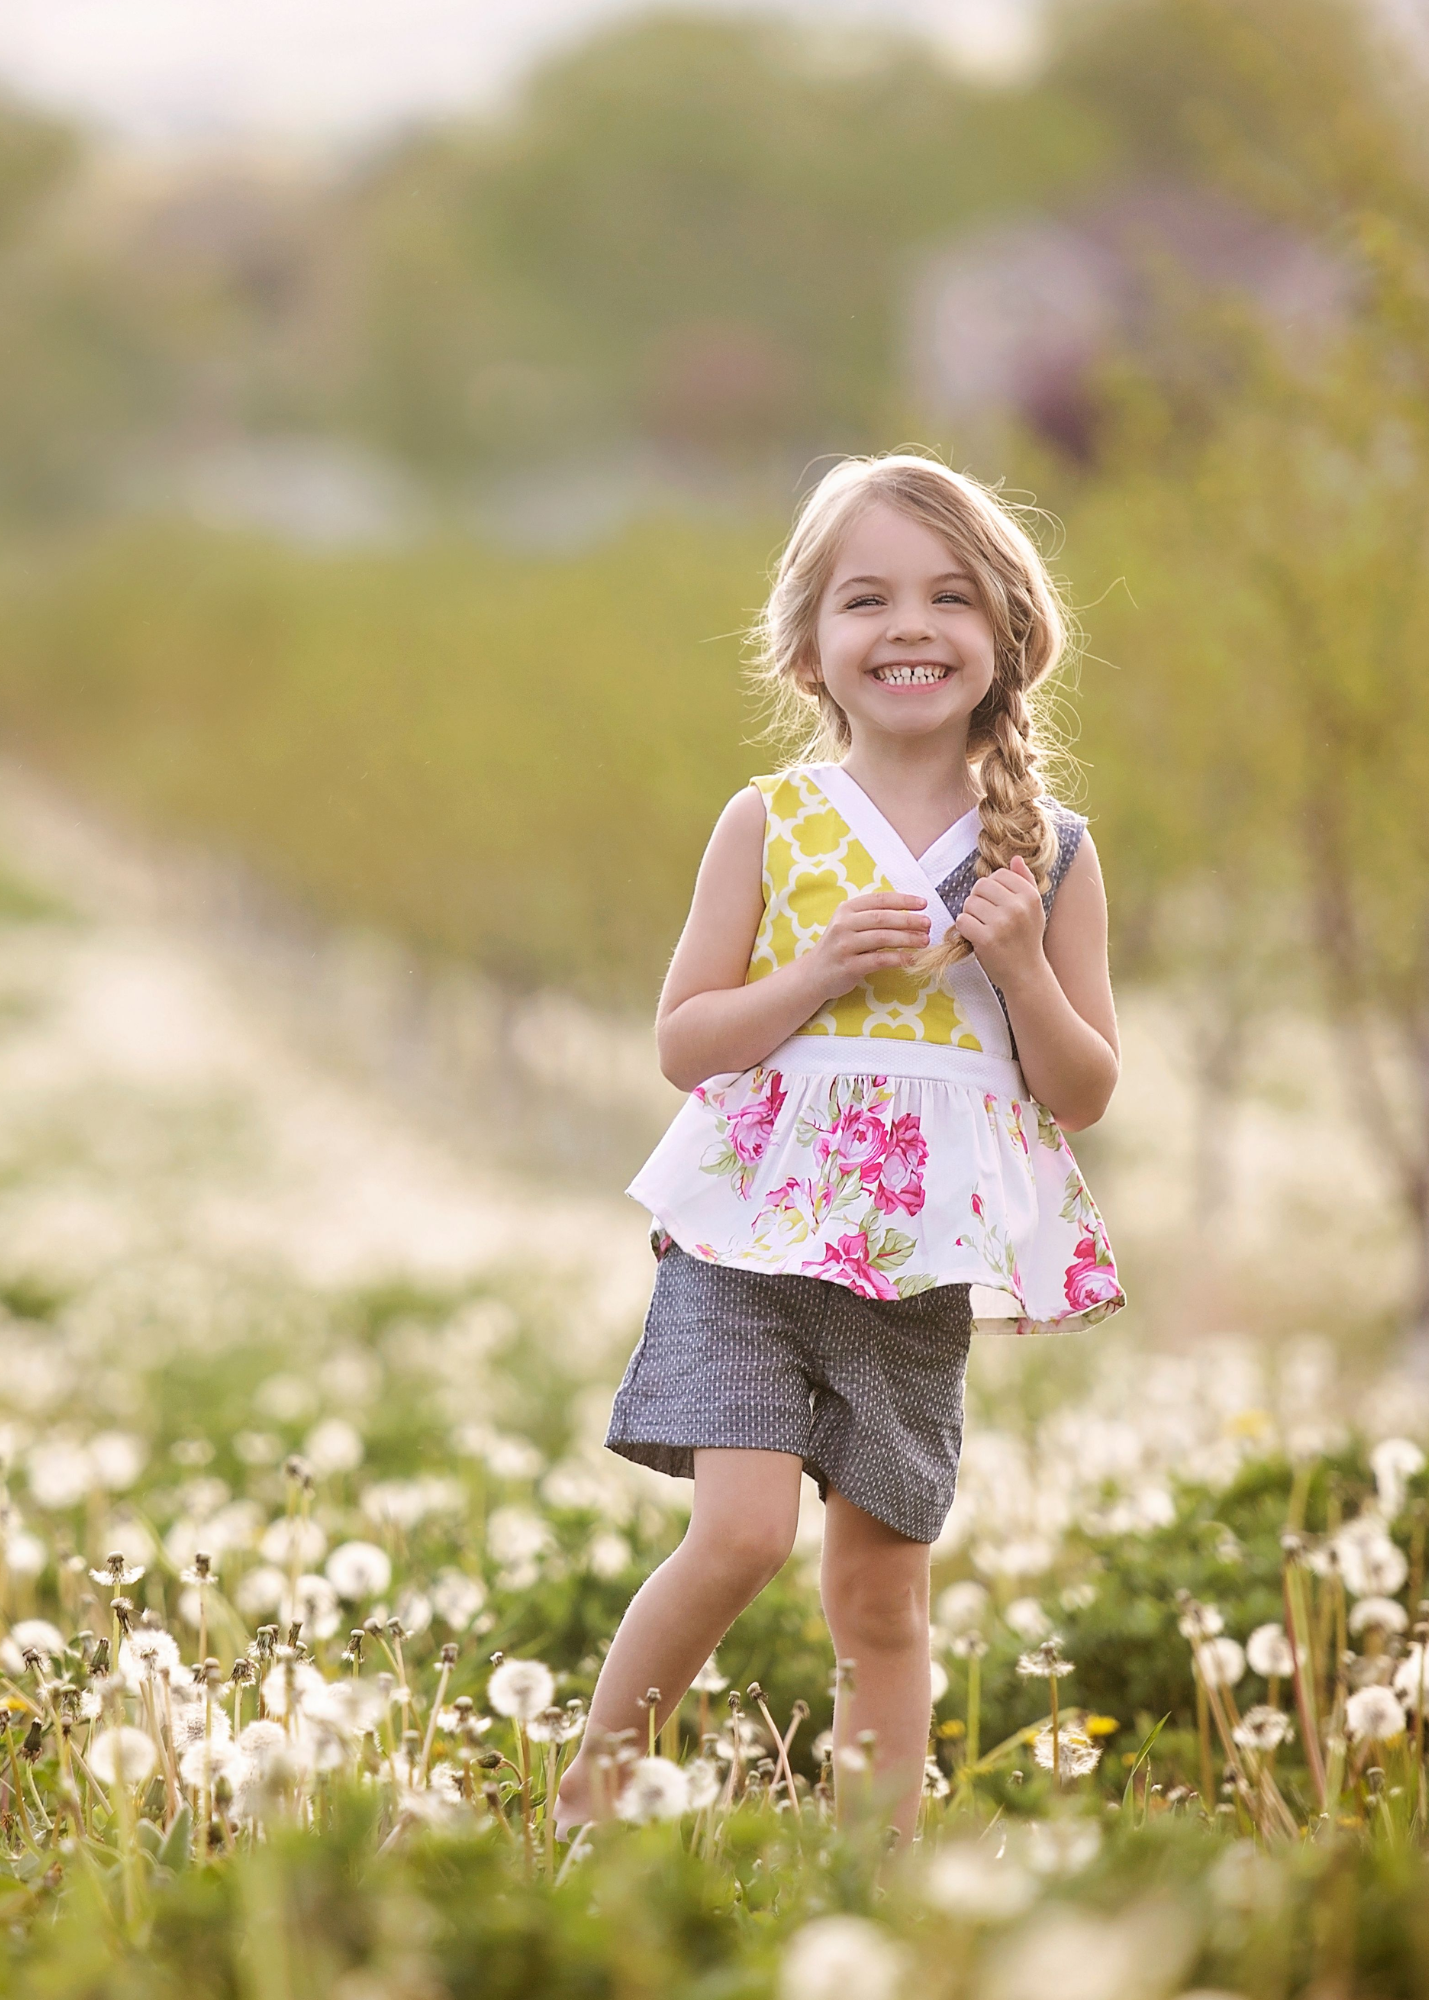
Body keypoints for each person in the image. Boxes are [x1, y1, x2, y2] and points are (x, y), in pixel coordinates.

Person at [555, 451, 1124, 1843]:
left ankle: (878, 1878)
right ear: (809, 649)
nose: (910, 627)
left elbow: (1085, 1086)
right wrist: (810, 975)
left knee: (881, 1593)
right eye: (865, 599)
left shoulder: (1045, 853)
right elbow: (687, 1041)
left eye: (949, 599)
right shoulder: (773, 820)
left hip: (912, 1265)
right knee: (741, 1534)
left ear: (1009, 641)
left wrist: (1022, 971)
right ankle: (592, 1795)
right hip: (747, 1238)